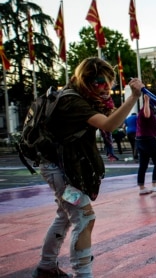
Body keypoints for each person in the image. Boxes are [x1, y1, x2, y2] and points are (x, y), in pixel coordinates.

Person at [33, 57, 143, 278]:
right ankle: (82, 274)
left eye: (108, 82)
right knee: (85, 217)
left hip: (63, 167)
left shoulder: (79, 97)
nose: (106, 87)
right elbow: (109, 124)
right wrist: (133, 97)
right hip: (58, 170)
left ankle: (45, 267)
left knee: (64, 216)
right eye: (100, 81)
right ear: (86, 80)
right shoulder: (72, 101)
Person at [136, 94, 156, 195]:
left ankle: (142, 187)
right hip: (148, 139)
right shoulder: (145, 110)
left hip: (140, 139)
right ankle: (155, 185)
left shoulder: (140, 112)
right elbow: (147, 114)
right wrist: (146, 101)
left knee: (143, 164)